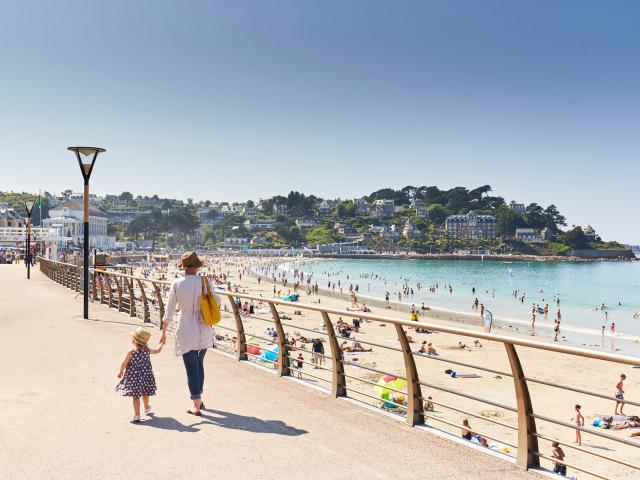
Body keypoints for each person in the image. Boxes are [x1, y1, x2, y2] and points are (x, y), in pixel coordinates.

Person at [160, 252, 220, 416]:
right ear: (197, 266)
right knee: (199, 363)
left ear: (184, 267)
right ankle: (199, 399)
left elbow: (169, 310)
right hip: (204, 326)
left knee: (191, 366)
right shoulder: (205, 281)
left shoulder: (177, 284)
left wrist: (164, 331)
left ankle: (196, 404)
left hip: (186, 328)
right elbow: (217, 302)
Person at [116, 327, 163, 423]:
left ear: (134, 340)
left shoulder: (131, 352)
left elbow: (124, 363)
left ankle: (137, 415)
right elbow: (158, 351)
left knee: (136, 396)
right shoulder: (147, 350)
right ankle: (146, 407)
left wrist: (120, 372)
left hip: (134, 379)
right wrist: (162, 343)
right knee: (145, 393)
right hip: (146, 377)